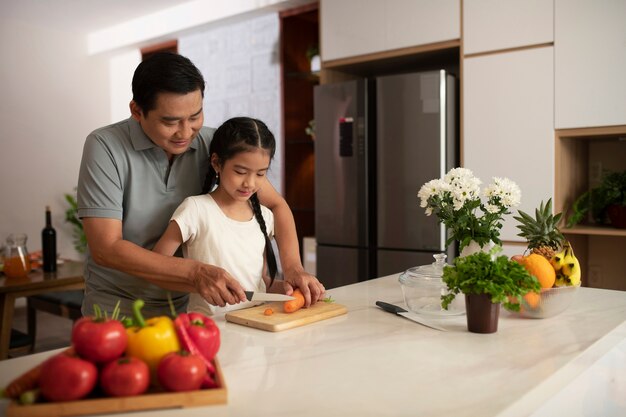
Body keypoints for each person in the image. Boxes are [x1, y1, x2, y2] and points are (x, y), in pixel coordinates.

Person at [77, 52, 324, 317]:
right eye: (170, 122)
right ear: (137, 111)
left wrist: (294, 268)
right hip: (118, 308)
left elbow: (275, 204)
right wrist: (195, 272)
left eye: (195, 116)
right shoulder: (105, 147)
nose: (185, 133)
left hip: (192, 310)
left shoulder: (212, 144)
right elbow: (106, 248)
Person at [153, 116, 288, 315]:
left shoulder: (265, 217)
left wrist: (282, 288)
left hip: (256, 327)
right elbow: (157, 265)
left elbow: (260, 281)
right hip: (207, 328)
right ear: (217, 163)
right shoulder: (195, 210)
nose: (250, 183)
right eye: (241, 171)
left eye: (260, 174)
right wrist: (197, 282)